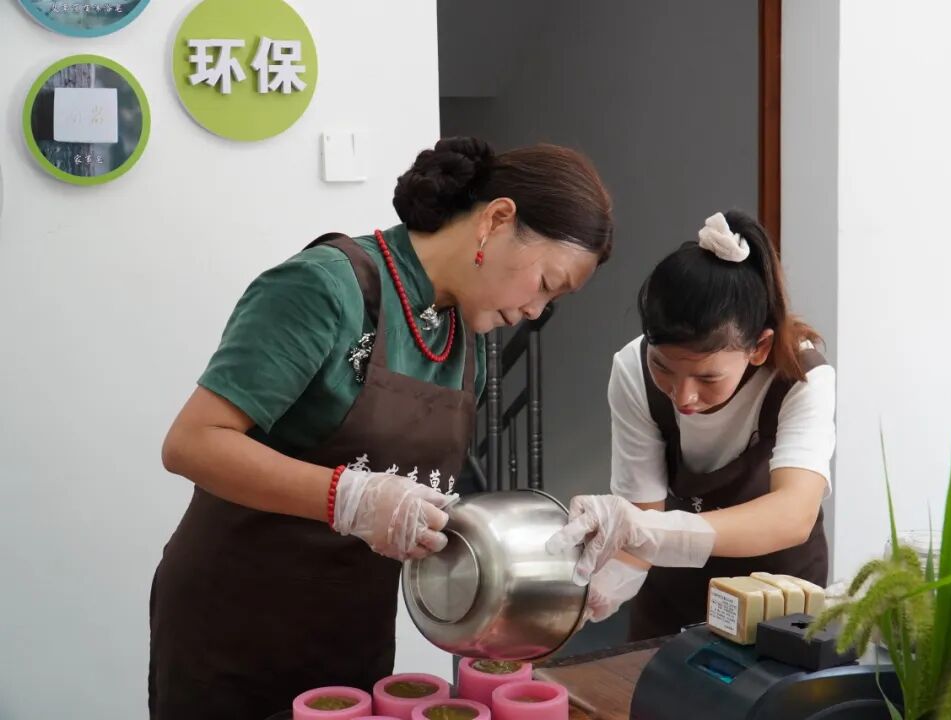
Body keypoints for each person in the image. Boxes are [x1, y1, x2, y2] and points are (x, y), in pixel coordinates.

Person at [150, 137, 614, 719]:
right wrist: (348, 497)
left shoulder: (462, 337)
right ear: (496, 220)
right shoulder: (324, 289)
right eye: (545, 283)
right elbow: (193, 443)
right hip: (238, 624)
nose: (535, 312)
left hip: (352, 628)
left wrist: (550, 577)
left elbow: (420, 505)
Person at [547, 210, 835, 640]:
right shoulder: (632, 371)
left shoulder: (800, 377)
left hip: (776, 598)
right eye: (663, 367)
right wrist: (599, 587)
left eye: (707, 378)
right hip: (673, 594)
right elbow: (644, 518)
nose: (683, 397)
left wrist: (647, 530)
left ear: (759, 348)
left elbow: (793, 514)